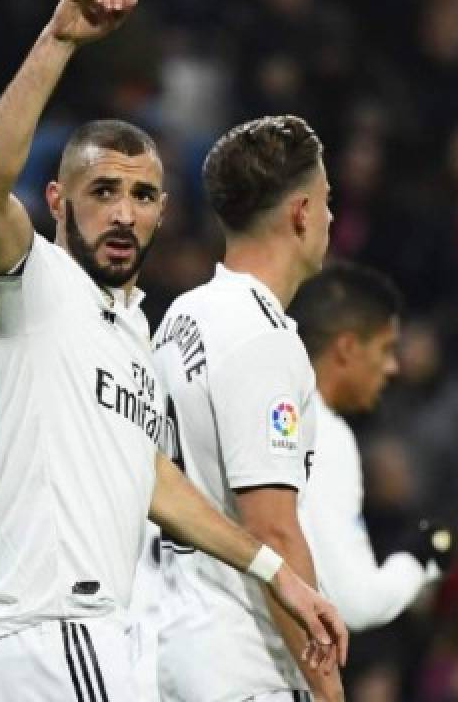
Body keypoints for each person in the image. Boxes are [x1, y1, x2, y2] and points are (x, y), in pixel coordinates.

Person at [0, 0, 347, 701]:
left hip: (44, 645)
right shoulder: (34, 285)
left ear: (163, 213)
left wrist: (274, 572)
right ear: (59, 204)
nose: (124, 212)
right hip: (56, 638)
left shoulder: (131, 330)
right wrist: (59, 40)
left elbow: (151, 478)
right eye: (102, 191)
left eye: (144, 195)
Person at [150, 114, 343, 700]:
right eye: (327, 200)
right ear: (301, 213)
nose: (332, 218)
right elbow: (273, 533)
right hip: (243, 664)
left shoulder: (183, 316)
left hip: (169, 647)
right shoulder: (262, 341)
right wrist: (327, 687)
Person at [287, 262, 450, 631]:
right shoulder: (324, 433)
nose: (392, 367)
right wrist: (420, 557)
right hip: (248, 673)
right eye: (386, 349)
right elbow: (356, 603)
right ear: (346, 348)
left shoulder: (267, 408)